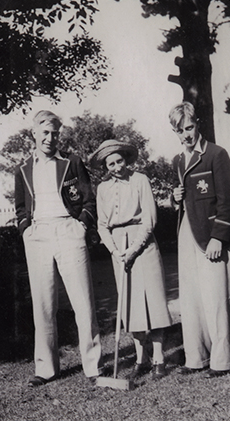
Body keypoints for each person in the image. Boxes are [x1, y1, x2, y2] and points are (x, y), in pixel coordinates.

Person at [15, 110, 102, 387]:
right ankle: (46, 369)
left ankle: (93, 366)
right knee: (43, 304)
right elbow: (20, 207)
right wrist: (26, 229)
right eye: (45, 133)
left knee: (83, 302)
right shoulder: (23, 169)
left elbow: (89, 201)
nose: (50, 138)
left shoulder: (72, 163)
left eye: (55, 133)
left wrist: (80, 226)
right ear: (34, 134)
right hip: (38, 234)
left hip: (69, 230)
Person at [90, 139, 171, 380]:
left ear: (126, 159)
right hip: (118, 247)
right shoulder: (103, 189)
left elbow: (150, 220)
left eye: (119, 161)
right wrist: (115, 251)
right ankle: (141, 359)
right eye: (110, 164)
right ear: (106, 167)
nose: (116, 167)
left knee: (153, 301)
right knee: (131, 304)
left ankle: (159, 359)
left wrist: (133, 249)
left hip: (142, 244)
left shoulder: (140, 180)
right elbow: (102, 226)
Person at [169, 102, 230, 378]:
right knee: (191, 299)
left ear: (198, 124)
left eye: (189, 127)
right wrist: (176, 199)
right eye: (179, 130)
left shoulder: (216, 154)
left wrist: (218, 238)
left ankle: (222, 360)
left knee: (216, 297)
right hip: (187, 233)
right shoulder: (177, 161)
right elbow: (189, 201)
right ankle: (196, 357)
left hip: (210, 237)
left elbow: (229, 201)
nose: (186, 134)